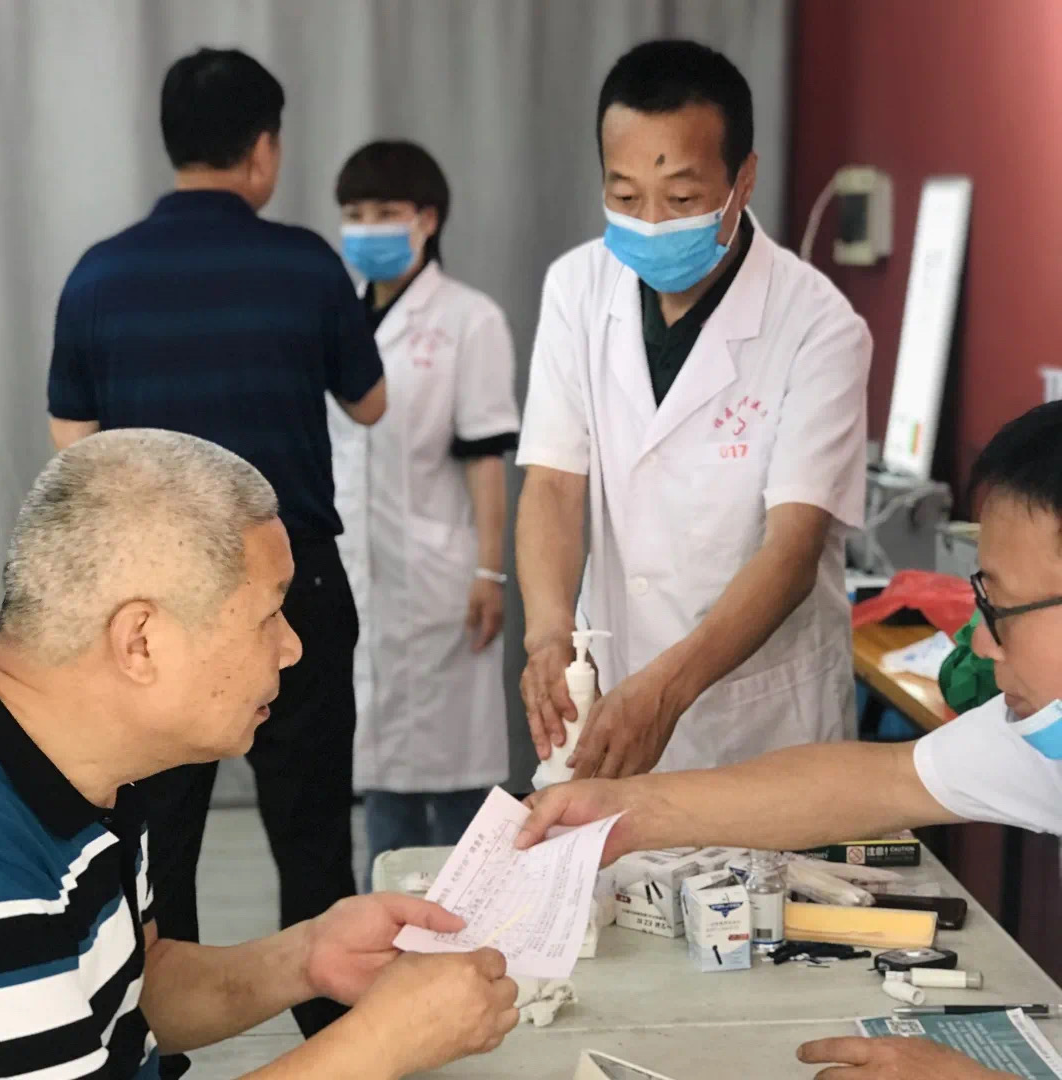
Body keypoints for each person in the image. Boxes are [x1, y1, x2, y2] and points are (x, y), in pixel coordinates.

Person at [518, 403, 1062, 1078]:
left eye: (998, 607)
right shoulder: (1041, 738)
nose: (980, 643)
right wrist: (624, 812)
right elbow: (880, 781)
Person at [0, 430, 518, 1080]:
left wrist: (310, 955)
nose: (292, 648)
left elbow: (133, 990)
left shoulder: (83, 758)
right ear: (141, 642)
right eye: (269, 615)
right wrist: (380, 1044)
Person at [45, 48, 385, 1054]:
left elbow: (73, 452)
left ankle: (163, 1041)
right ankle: (341, 1043)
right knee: (312, 833)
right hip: (292, 593)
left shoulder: (99, 274)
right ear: (263, 148)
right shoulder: (307, 265)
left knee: (157, 843)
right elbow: (370, 402)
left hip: (159, 612)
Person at [516, 39, 872, 780]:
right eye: (624, 197)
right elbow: (552, 483)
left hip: (761, 723)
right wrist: (547, 635)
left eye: (680, 199)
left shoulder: (818, 326)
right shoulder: (577, 288)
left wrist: (670, 688)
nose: (650, 222)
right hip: (611, 695)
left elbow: (792, 550)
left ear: (744, 180)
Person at [329, 141, 520, 884]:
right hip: (358, 569)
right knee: (382, 778)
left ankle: (479, 923)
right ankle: (390, 931)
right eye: (354, 213)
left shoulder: (470, 319)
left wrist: (489, 572)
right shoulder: (334, 314)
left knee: (456, 783)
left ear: (428, 219)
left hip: (442, 574)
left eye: (386, 211)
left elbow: (485, 456)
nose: (367, 227)